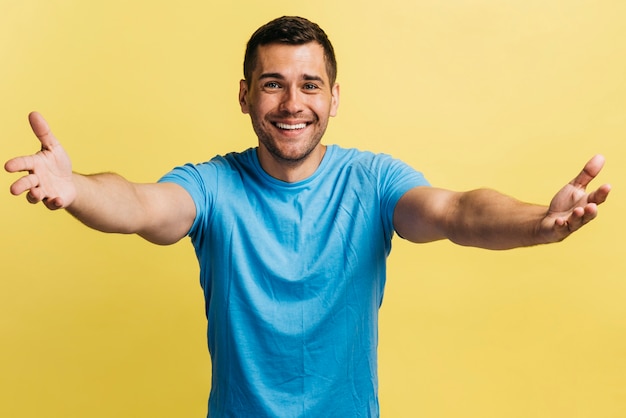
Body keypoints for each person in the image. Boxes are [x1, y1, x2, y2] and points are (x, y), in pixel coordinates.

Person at [4, 15, 610, 418]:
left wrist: (535, 223)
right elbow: (140, 205)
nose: (292, 104)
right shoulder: (213, 185)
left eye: (309, 85)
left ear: (334, 97)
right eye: (272, 84)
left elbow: (456, 211)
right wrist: (75, 187)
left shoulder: (372, 181)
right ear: (244, 95)